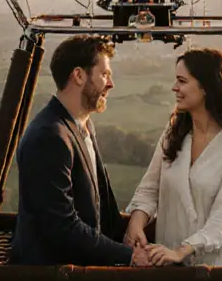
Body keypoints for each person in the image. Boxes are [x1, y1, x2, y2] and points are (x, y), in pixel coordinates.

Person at [10, 35, 152, 266]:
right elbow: (61, 228)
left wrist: (129, 233)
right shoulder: (50, 137)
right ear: (78, 75)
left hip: (78, 274)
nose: (110, 84)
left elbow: (99, 207)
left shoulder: (81, 125)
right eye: (104, 74)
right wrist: (129, 256)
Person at [123, 47, 222, 267]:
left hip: (218, 271)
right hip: (168, 268)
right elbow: (149, 190)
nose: (174, 88)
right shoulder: (173, 134)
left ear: (206, 87)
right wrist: (136, 223)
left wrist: (181, 251)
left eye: (182, 81)